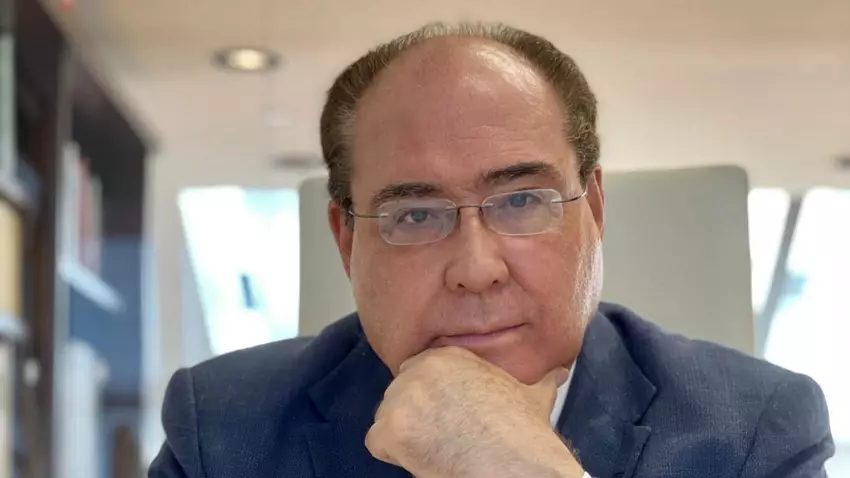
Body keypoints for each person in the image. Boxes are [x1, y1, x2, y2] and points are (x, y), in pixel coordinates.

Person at [149, 22, 834, 478]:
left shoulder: (754, 430)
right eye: (417, 214)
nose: (477, 269)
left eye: (521, 201)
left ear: (594, 210)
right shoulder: (225, 430)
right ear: (347, 239)